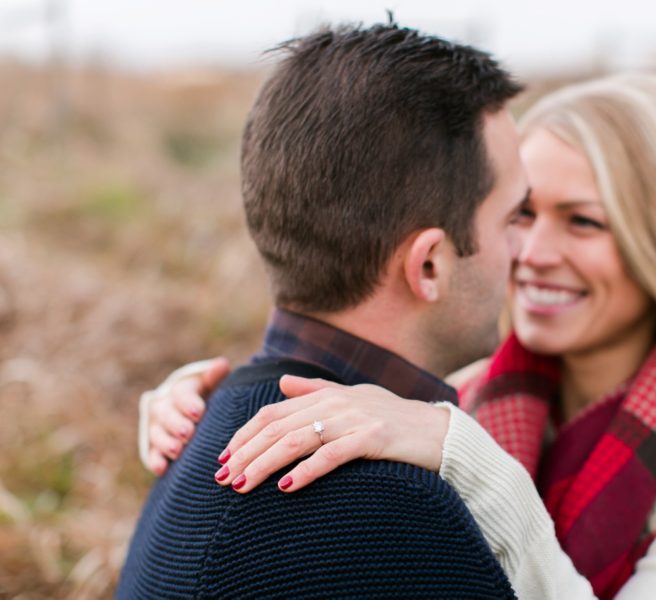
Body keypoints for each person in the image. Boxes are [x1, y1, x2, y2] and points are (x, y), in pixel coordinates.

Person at [143, 74, 656, 599]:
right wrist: (219, 405)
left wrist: (475, 467)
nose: (532, 251)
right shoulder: (471, 395)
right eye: (522, 213)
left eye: (583, 222)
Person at [118, 21, 534, 599]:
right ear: (430, 265)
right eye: (514, 217)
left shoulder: (202, 430)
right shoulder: (395, 515)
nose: (528, 250)